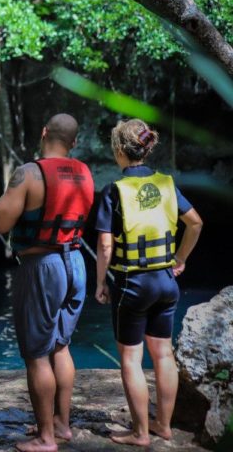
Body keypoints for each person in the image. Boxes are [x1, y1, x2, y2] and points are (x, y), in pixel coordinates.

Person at [0, 113, 94, 452]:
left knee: (36, 355)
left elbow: (1, 220)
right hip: (76, 263)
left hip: (42, 266)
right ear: (74, 143)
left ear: (43, 132)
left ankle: (46, 438)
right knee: (60, 346)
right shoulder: (85, 173)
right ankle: (62, 425)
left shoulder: (29, 173)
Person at [94, 119, 203, 447]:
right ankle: (163, 425)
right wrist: (180, 259)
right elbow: (195, 222)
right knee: (163, 355)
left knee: (130, 358)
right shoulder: (167, 184)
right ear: (146, 147)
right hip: (166, 282)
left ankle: (140, 432)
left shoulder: (115, 190)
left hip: (132, 283)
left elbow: (104, 245)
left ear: (118, 151)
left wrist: (100, 281)